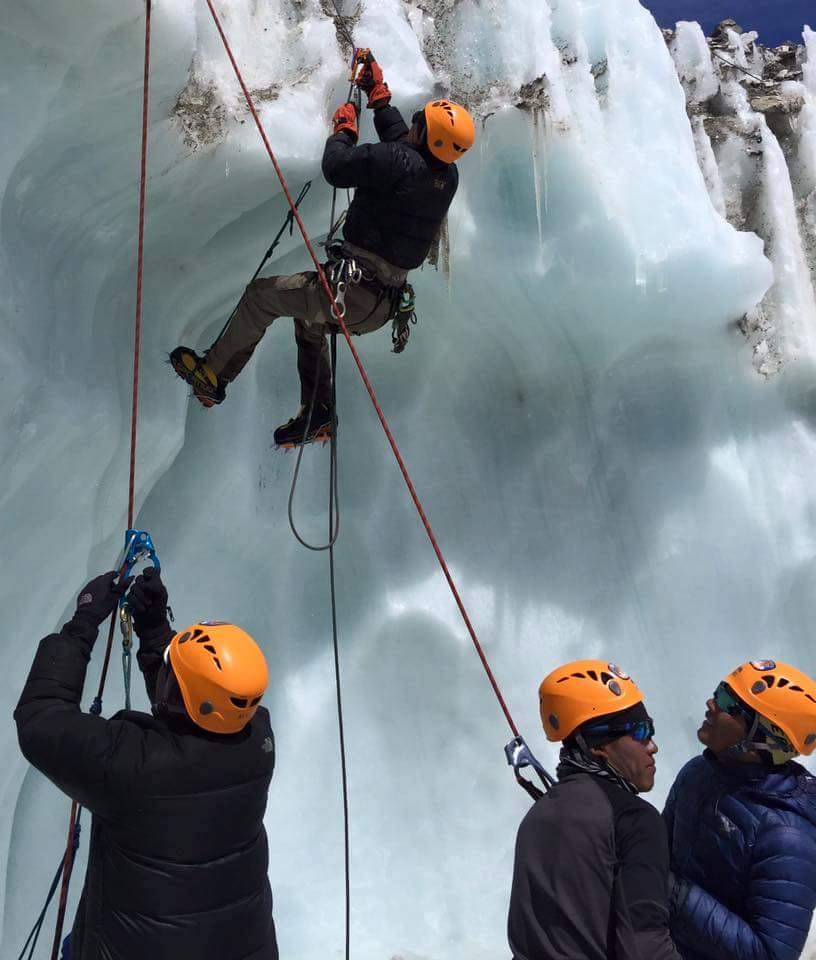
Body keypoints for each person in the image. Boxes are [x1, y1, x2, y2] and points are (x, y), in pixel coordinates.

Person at [170, 51, 475, 446]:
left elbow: (338, 167)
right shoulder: (445, 176)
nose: (414, 123)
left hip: (352, 290)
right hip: (380, 303)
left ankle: (212, 376)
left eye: (420, 122)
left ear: (427, 136)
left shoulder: (399, 160)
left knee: (262, 297)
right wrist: (378, 98)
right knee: (309, 322)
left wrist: (343, 131)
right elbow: (404, 150)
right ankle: (317, 410)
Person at [14, 567, 277, 960]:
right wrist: (154, 632)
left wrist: (82, 624)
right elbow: (192, 711)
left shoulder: (134, 767)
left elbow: (41, 720)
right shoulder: (258, 744)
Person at [508, 659, 682, 960]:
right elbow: (644, 949)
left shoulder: (537, 816)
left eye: (651, 729)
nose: (652, 745)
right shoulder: (634, 820)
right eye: (640, 732)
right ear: (599, 745)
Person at [664, 659, 816, 960]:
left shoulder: (788, 838)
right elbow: (657, 849)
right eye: (720, 691)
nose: (711, 703)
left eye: (727, 703)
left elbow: (771, 954)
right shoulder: (697, 772)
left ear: (762, 739)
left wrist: (673, 893)